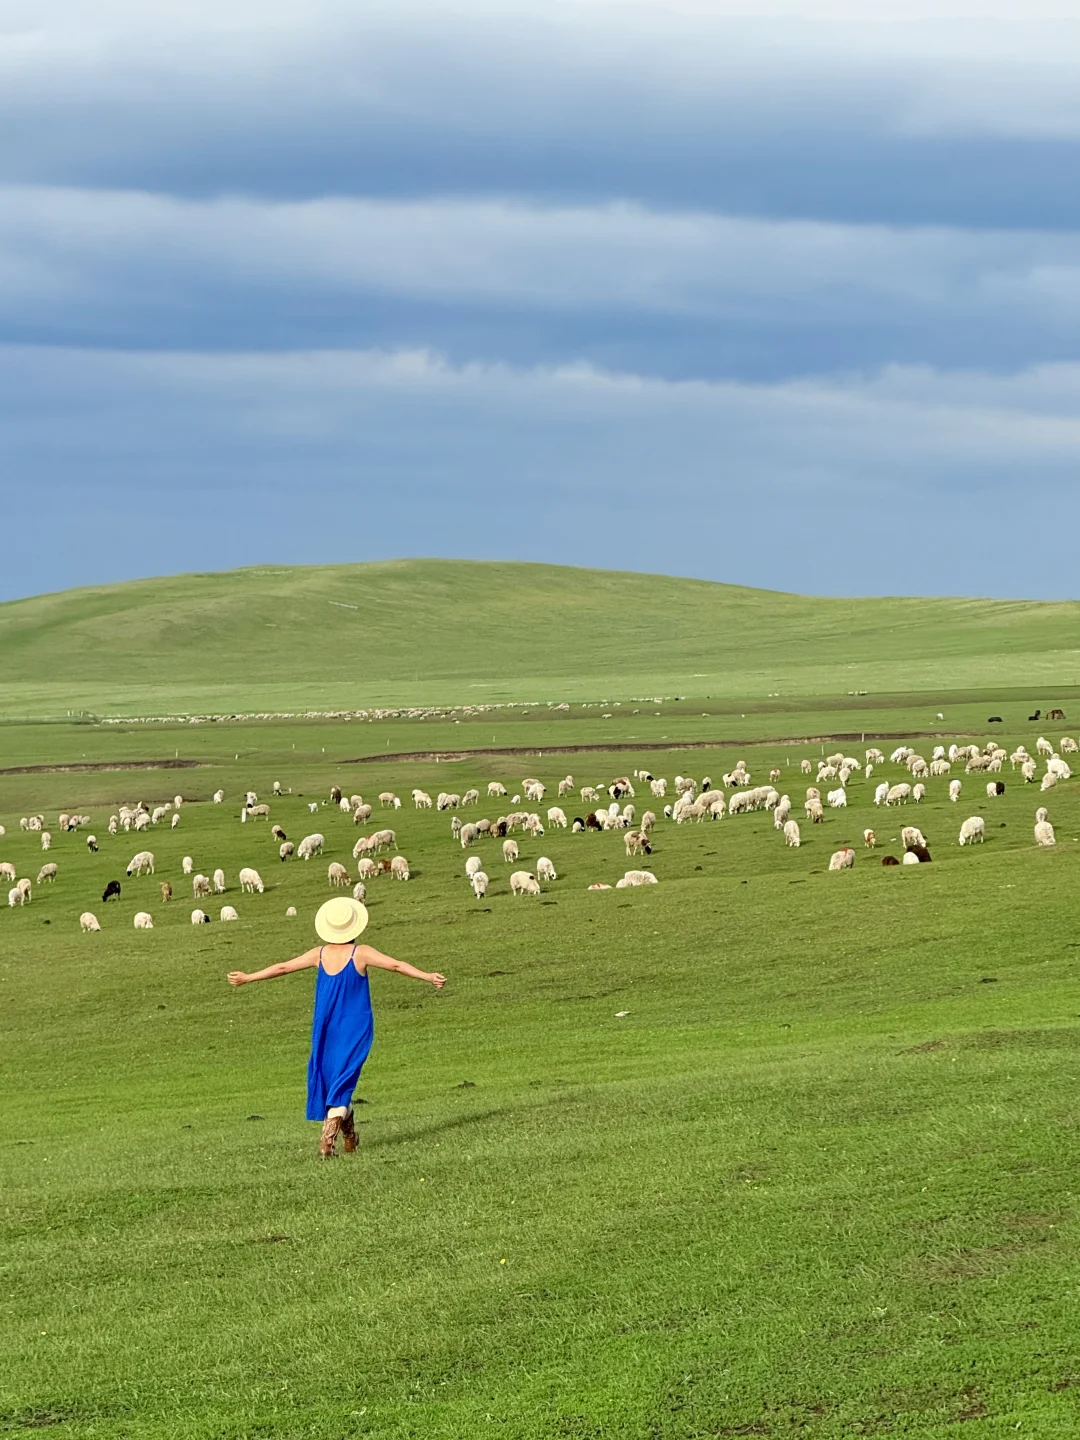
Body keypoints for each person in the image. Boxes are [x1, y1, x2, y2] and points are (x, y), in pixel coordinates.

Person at [227, 896, 445, 1158]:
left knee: (337, 1081)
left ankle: (350, 1137)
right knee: (341, 1083)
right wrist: (427, 976)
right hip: (355, 1026)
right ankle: (327, 1141)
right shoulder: (361, 952)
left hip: (325, 1025)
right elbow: (395, 965)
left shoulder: (319, 954)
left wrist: (248, 977)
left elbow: (283, 967)